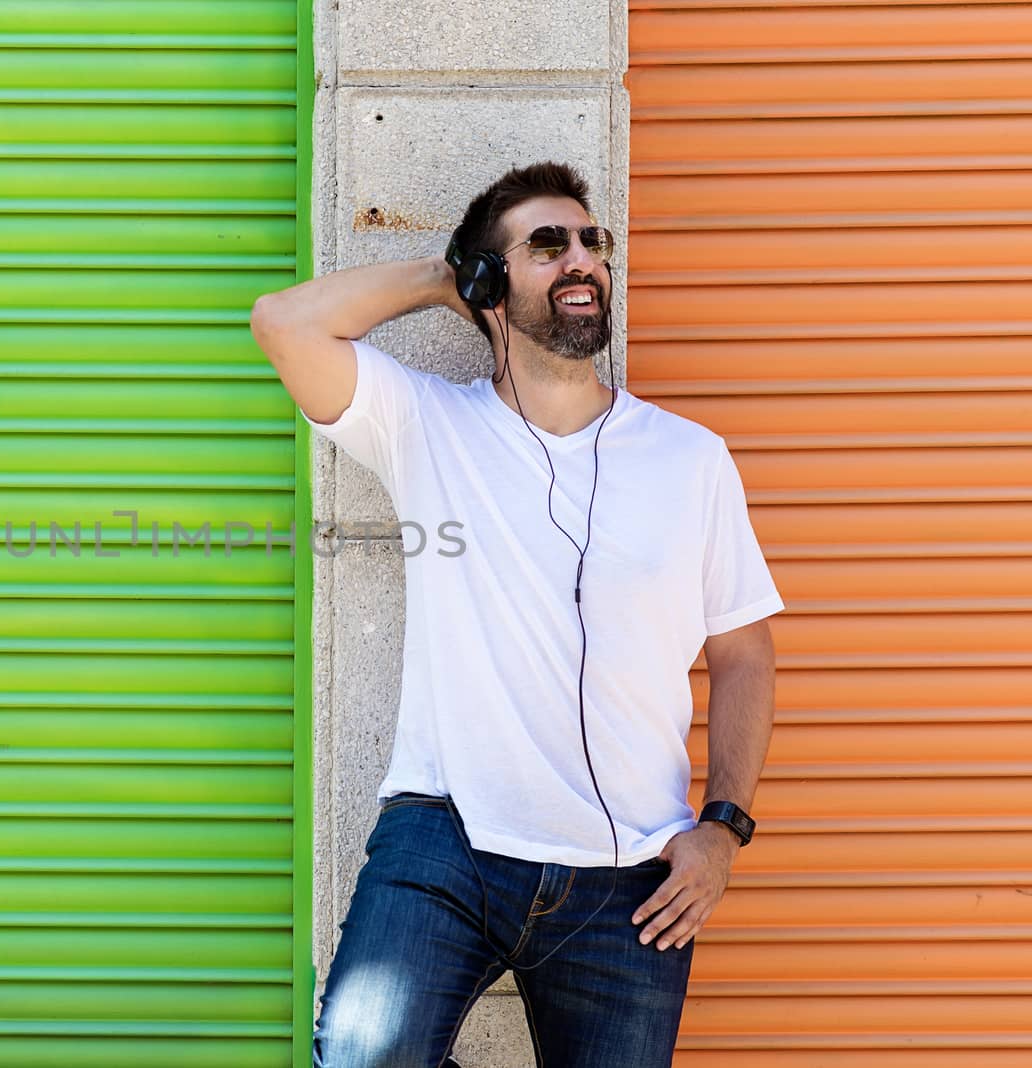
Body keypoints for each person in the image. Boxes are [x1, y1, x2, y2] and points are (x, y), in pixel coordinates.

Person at [249, 161, 782, 1067]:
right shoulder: (426, 424)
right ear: (492, 282)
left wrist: (722, 831)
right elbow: (283, 322)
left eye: (592, 243)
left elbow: (744, 651)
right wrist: (439, 278)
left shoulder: (690, 458)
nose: (582, 260)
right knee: (361, 1055)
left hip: (633, 876)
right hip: (447, 836)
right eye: (547, 245)